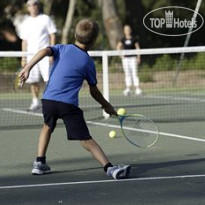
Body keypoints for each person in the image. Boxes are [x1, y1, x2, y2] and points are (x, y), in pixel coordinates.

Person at [19, 19, 131, 180]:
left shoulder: (62, 49)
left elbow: (44, 50)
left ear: (75, 34)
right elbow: (94, 91)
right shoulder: (88, 63)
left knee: (47, 126)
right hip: (68, 105)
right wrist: (106, 105)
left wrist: (27, 67)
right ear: (93, 41)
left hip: (48, 101)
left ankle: (39, 163)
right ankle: (110, 168)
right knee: (85, 139)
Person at [20, 0, 57, 111]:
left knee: (49, 80)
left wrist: (52, 52)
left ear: (38, 6)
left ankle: (52, 101)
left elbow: (53, 36)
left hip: (45, 55)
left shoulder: (45, 19)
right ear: (28, 8)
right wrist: (23, 57)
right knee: (33, 81)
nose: (33, 6)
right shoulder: (26, 22)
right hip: (31, 56)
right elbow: (24, 41)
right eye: (30, 5)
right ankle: (35, 102)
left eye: (35, 4)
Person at [117, 25, 142, 96]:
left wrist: (138, 57)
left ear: (130, 30)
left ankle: (137, 89)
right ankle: (128, 88)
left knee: (134, 73)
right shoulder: (123, 39)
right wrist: (121, 56)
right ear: (124, 31)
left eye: (128, 29)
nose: (127, 31)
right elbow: (118, 47)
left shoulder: (134, 39)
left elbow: (137, 48)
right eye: (125, 30)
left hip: (133, 59)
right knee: (127, 73)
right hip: (125, 59)